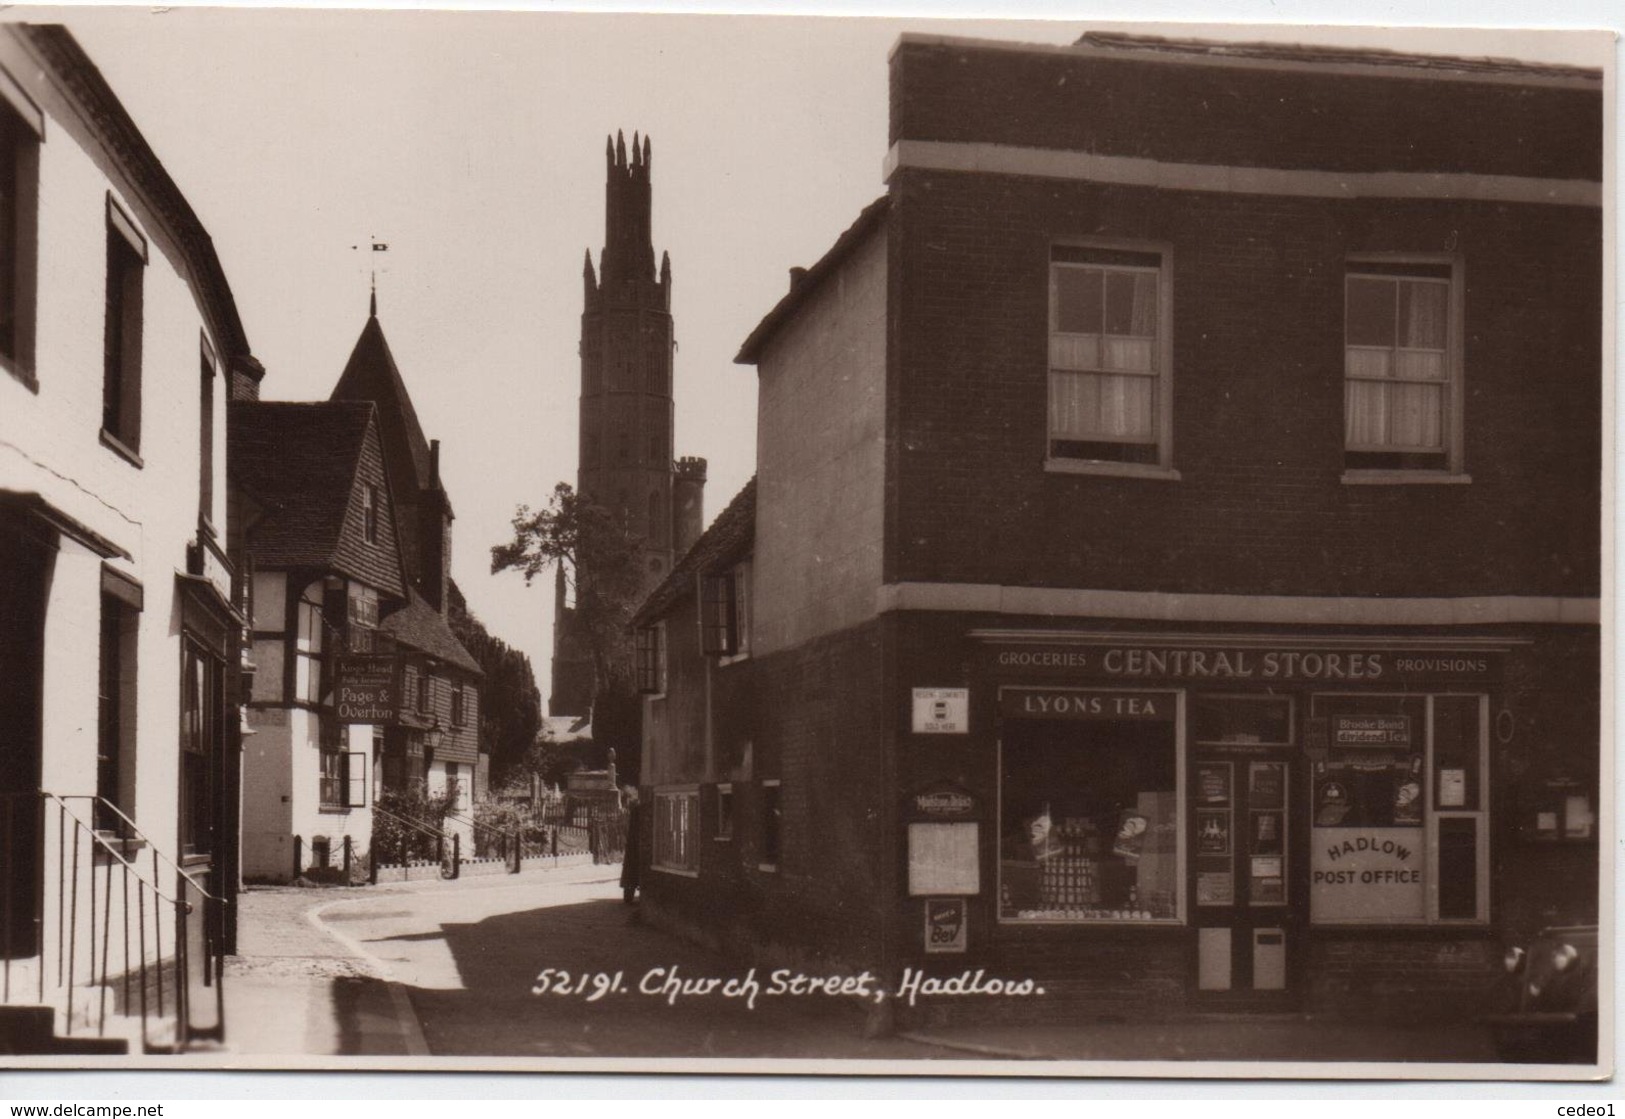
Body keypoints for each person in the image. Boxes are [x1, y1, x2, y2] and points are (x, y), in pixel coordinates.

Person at [620, 792, 642, 905]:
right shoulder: (638, 809)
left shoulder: (636, 809)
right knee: (632, 867)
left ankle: (629, 890)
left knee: (631, 867)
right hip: (636, 843)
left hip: (634, 844)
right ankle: (629, 889)